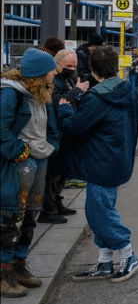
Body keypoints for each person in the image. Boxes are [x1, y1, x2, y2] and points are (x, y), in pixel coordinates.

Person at [58, 46, 138, 283]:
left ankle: (127, 254)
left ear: (93, 69)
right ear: (116, 66)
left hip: (100, 162)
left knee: (99, 212)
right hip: (121, 159)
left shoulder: (96, 98)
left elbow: (75, 128)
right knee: (97, 210)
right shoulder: (128, 89)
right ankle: (104, 261)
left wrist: (66, 109)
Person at [1, 49, 60, 298]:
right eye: (51, 69)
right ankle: (4, 272)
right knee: (12, 217)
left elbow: (49, 126)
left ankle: (18, 264)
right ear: (38, 74)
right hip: (21, 162)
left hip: (38, 159)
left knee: (30, 216)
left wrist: (51, 145)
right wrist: (19, 152)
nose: (55, 73)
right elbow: (1, 127)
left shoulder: (39, 93)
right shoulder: (11, 93)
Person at [38, 49, 82, 224]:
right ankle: (48, 209)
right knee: (51, 172)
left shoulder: (67, 79)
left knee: (61, 171)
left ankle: (56, 202)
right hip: (54, 131)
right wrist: (76, 91)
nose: (72, 69)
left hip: (64, 130)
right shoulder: (54, 82)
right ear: (57, 64)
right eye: (68, 65)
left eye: (74, 66)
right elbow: (57, 103)